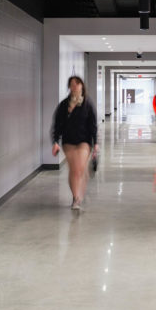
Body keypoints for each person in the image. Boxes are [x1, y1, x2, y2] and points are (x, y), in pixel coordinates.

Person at [51, 75, 99, 210]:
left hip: (84, 141)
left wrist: (95, 143)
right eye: (72, 84)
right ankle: (76, 198)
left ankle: (79, 194)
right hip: (68, 141)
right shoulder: (64, 105)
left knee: (80, 169)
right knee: (74, 169)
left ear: (82, 86)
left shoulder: (88, 104)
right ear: (69, 87)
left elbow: (93, 125)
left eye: (77, 84)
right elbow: (57, 125)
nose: (74, 86)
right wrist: (55, 141)